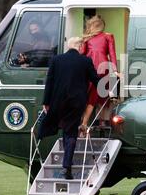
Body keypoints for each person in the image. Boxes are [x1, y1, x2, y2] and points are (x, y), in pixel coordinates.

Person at [38, 37, 100, 180]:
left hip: (58, 101)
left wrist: (46, 101)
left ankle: (67, 166)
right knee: (71, 132)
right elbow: (95, 80)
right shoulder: (85, 61)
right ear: (79, 47)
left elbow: (50, 82)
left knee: (64, 130)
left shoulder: (56, 60)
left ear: (68, 46)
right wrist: (109, 91)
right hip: (76, 102)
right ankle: (67, 168)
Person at [79, 15, 120, 135]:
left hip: (88, 69)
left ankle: (84, 124)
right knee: (101, 98)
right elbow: (112, 54)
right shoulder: (108, 36)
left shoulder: (87, 38)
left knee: (89, 97)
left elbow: (82, 54)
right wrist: (115, 71)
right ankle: (100, 122)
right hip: (103, 69)